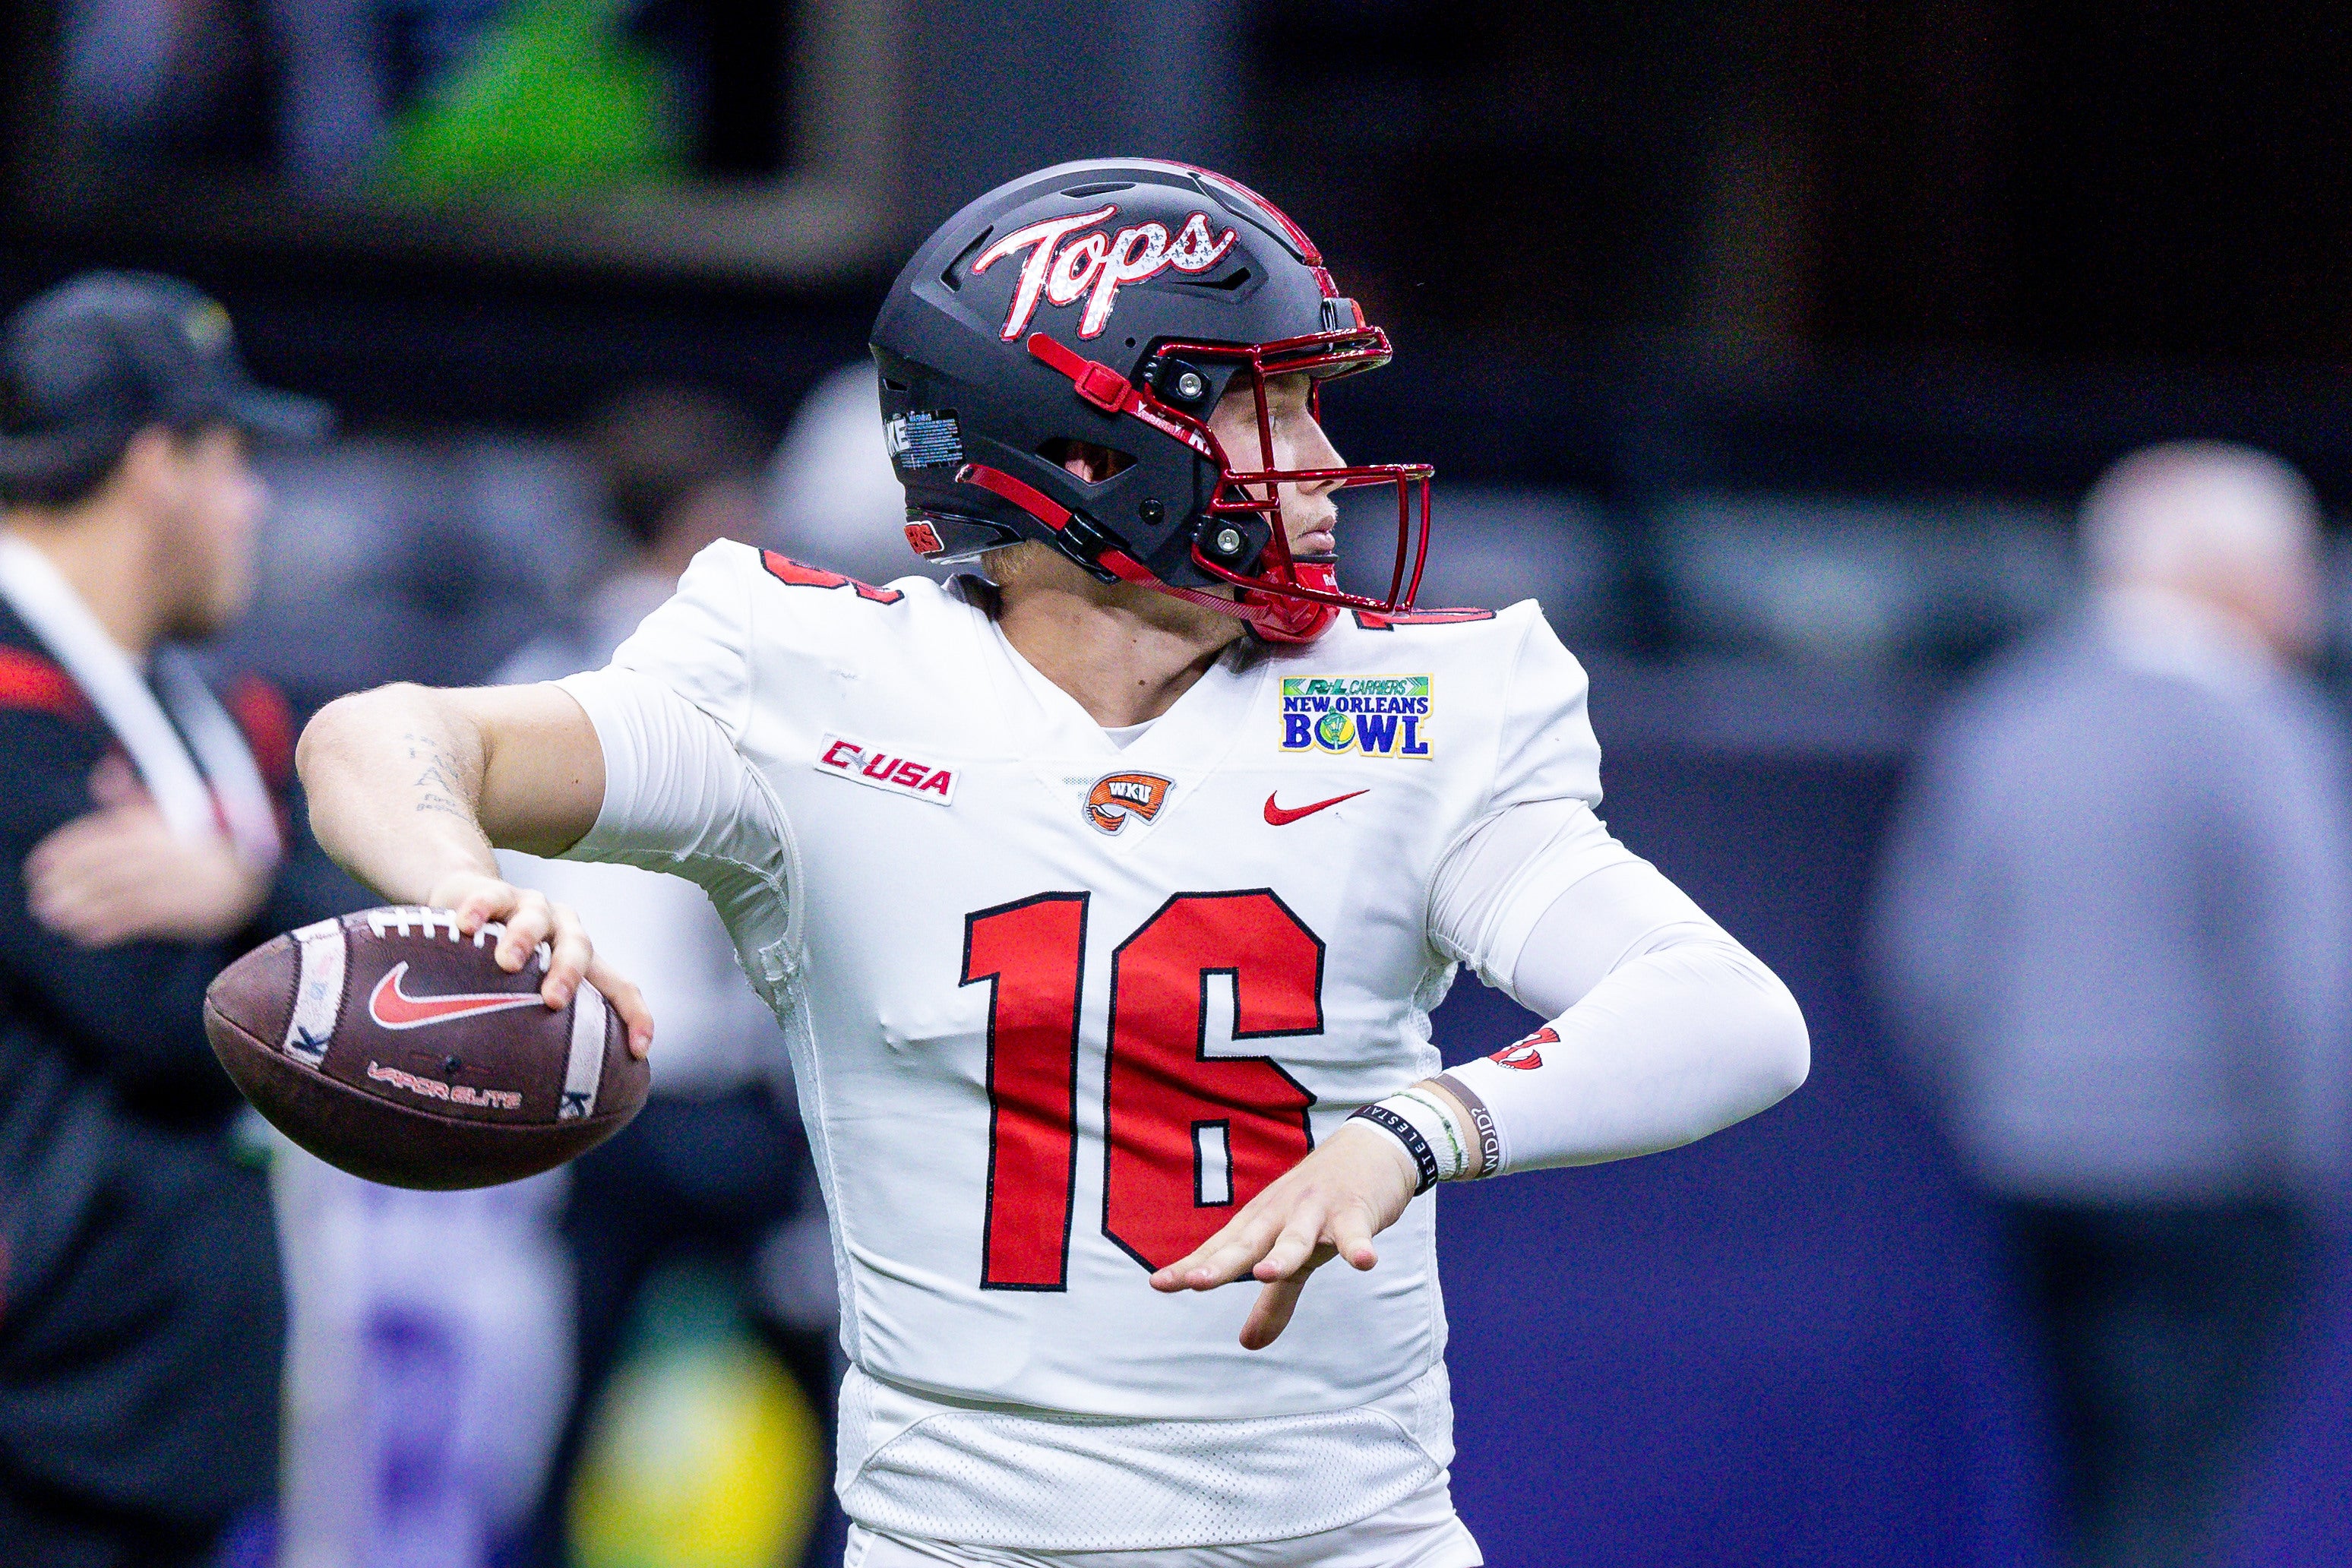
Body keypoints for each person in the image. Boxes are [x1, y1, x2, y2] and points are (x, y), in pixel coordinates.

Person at [297, 160, 1811, 1567]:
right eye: (1265, 407)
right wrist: (460, 888)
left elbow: (1727, 1013)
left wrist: (1421, 1128)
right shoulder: (809, 686)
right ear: (1088, 450)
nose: (1327, 461)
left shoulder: (1417, 706)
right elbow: (386, 738)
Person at [1872, 441, 2352, 1568]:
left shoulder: (2007, 713)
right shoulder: (2262, 727)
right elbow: (2306, 969)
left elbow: (1925, 953)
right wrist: (2312, 1152)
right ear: (2231, 574)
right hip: (2226, 1182)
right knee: (2174, 1503)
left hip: (2036, 1170)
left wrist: (2003, 1111)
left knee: (2090, 1487)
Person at [0, 272, 334, 1566]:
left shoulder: (216, 712)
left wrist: (247, 890)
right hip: (44, 1416)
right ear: (160, 463)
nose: (254, 503)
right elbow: (173, 1017)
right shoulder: (19, 700)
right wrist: (287, 922)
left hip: (156, 1406)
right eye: (237, 458)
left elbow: (374, 923)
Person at [501, 384, 837, 1568]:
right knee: (851, 1411)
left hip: (572, 1098)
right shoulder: (748, 682)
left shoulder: (527, 675)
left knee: (572, 1411)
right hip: (714, 1103)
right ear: (711, 515)